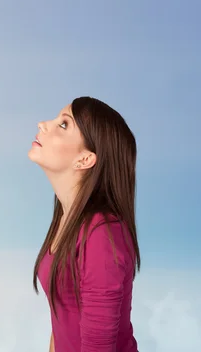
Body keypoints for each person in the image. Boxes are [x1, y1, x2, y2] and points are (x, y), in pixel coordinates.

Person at [28, 96, 140, 352]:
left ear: (85, 159)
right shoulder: (67, 220)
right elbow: (61, 325)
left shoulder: (103, 232)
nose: (43, 124)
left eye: (64, 125)